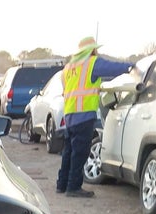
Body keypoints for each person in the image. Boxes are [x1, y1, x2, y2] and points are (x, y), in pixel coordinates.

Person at [57, 36, 134, 197]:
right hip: (83, 115)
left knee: (69, 152)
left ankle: (62, 185)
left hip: (69, 115)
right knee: (80, 153)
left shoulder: (68, 68)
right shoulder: (91, 63)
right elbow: (113, 68)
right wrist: (131, 66)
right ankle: (73, 188)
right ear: (91, 50)